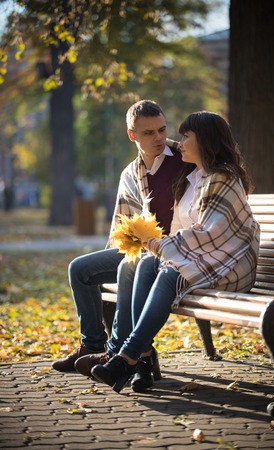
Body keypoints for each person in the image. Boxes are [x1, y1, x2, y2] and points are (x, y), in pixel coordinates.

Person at [89, 110, 261, 393]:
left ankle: (126, 358)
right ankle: (139, 358)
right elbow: (185, 229)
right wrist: (158, 247)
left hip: (231, 265)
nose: (178, 143)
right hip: (206, 260)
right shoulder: (195, 180)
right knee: (146, 266)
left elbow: (211, 233)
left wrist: (161, 245)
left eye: (185, 137)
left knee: (169, 272)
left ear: (204, 141)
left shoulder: (223, 178)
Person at [52, 100, 184, 373]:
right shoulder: (130, 173)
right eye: (148, 133)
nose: (159, 137)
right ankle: (92, 344)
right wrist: (108, 259)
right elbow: (121, 227)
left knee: (131, 267)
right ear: (132, 135)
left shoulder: (185, 159)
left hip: (173, 253)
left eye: (161, 129)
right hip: (141, 251)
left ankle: (130, 355)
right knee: (80, 269)